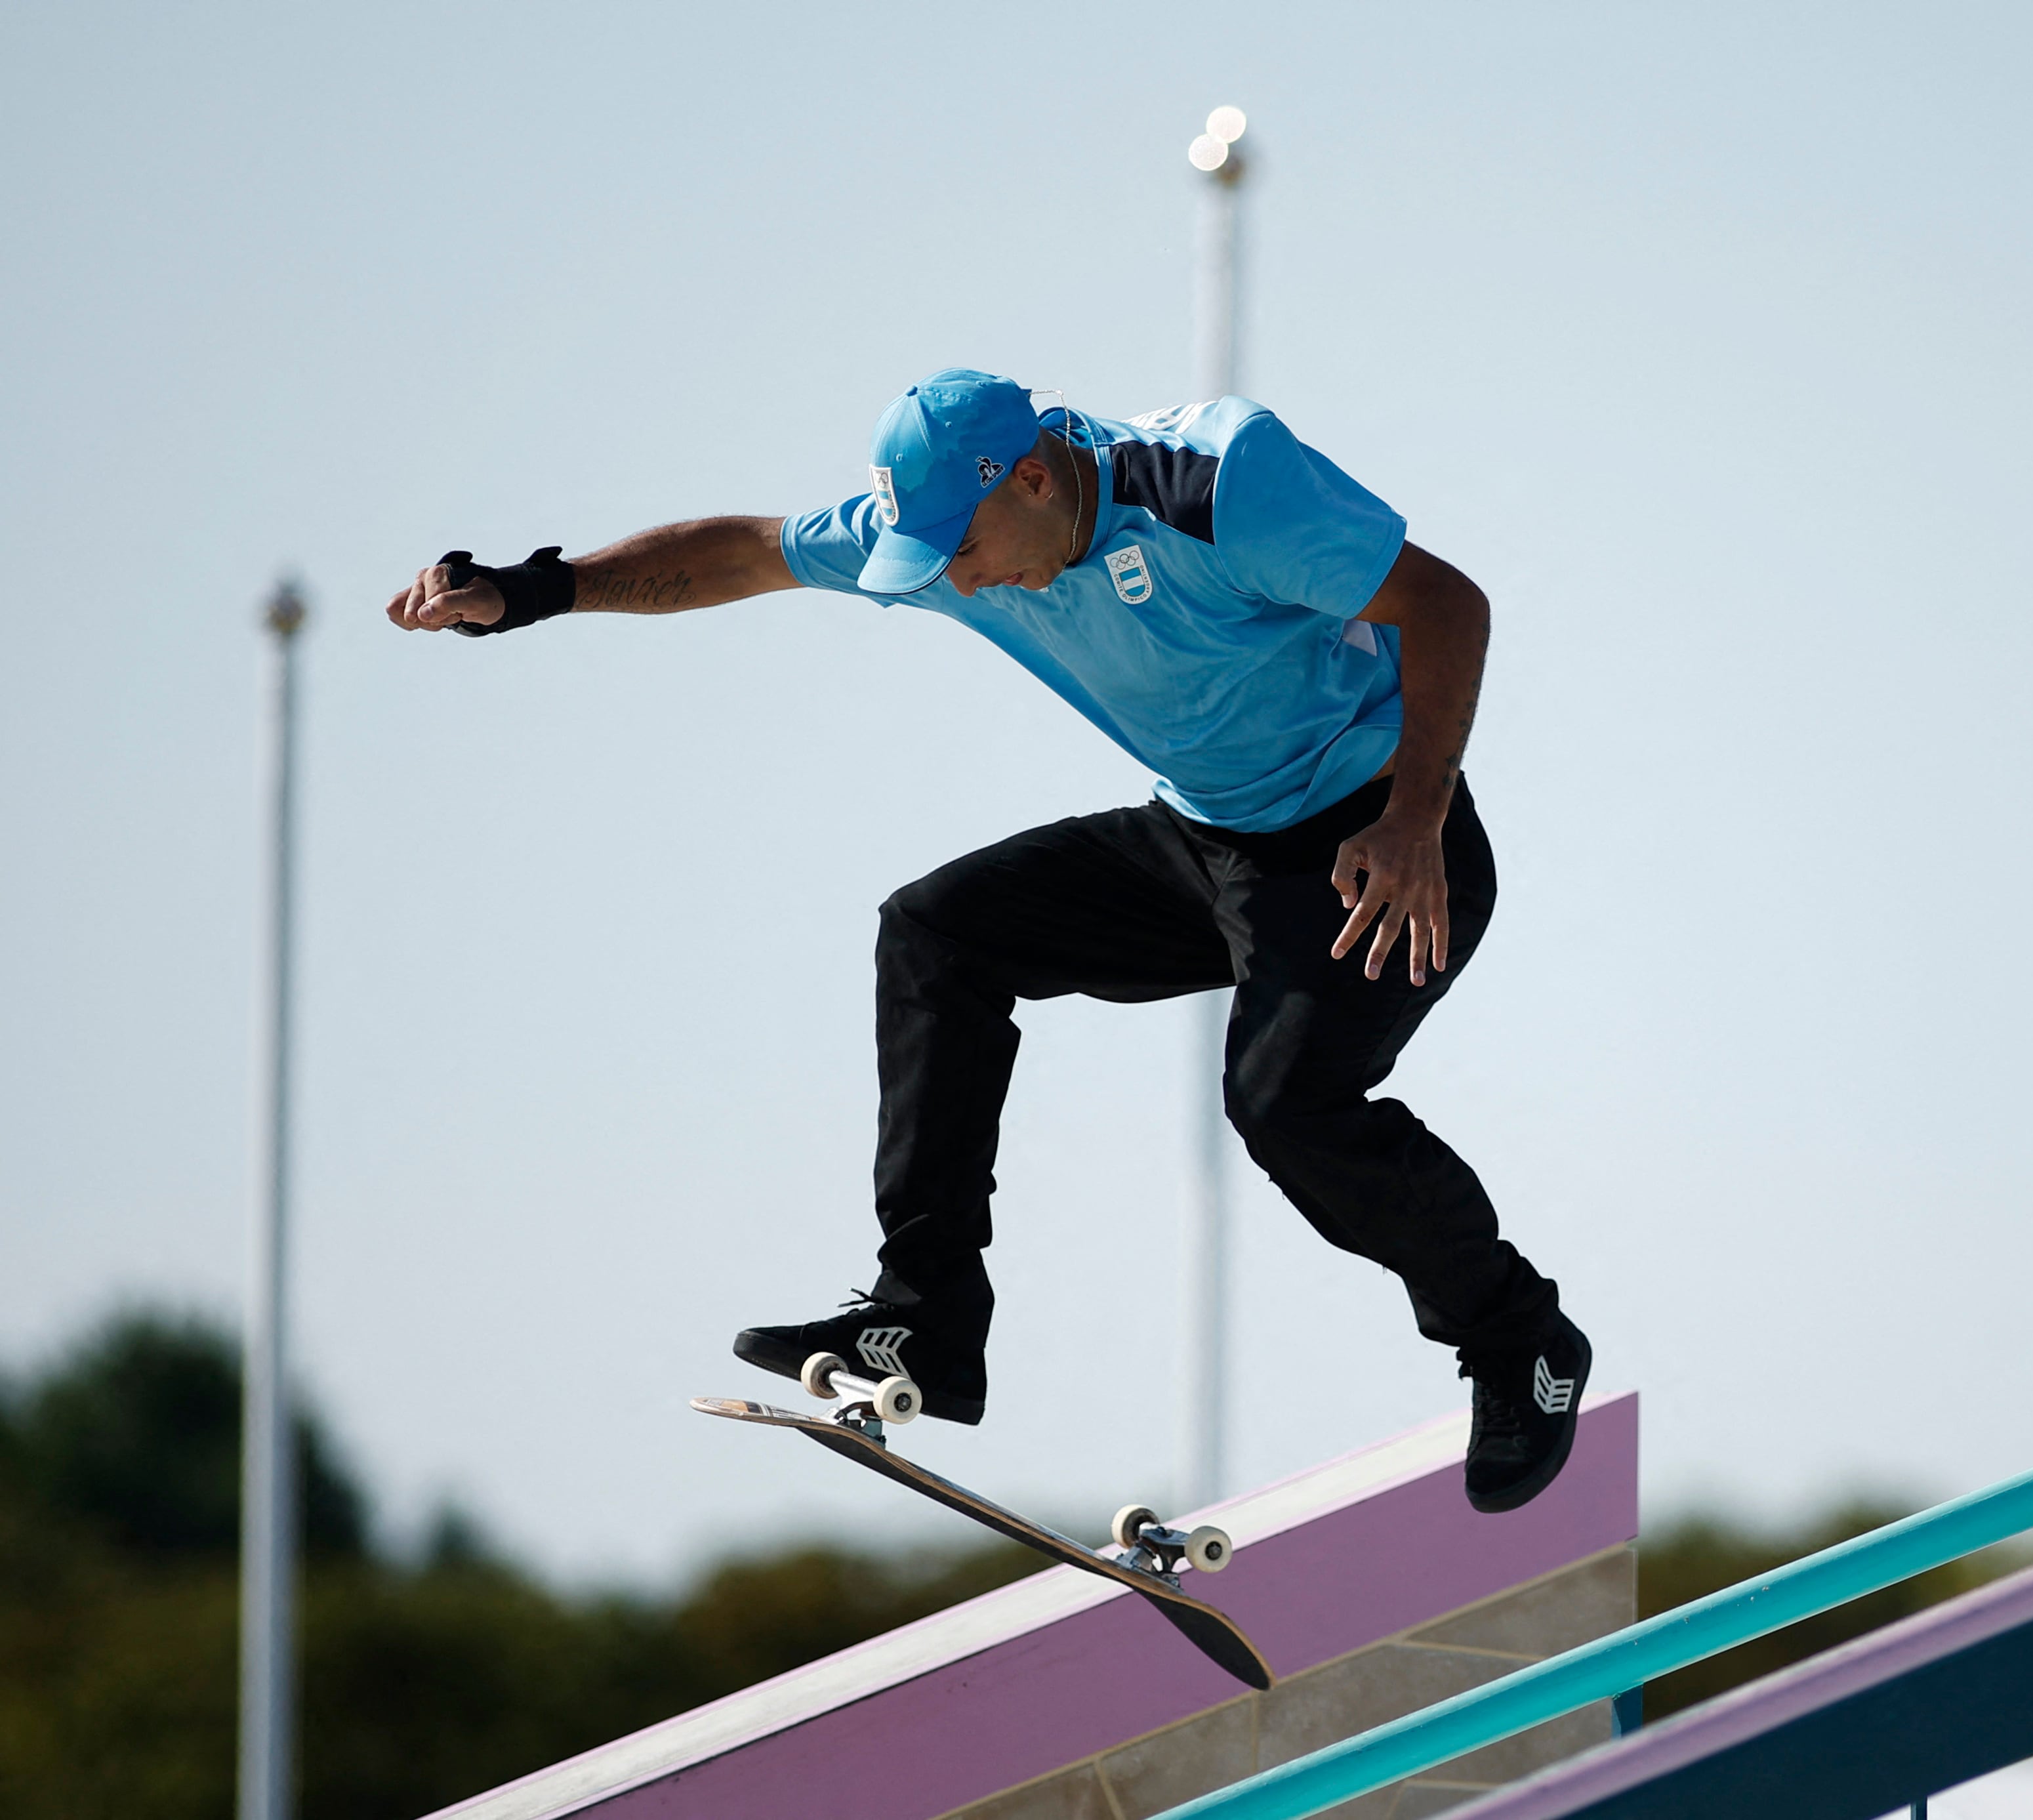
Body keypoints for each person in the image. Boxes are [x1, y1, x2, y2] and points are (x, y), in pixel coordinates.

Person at [387, 369, 1589, 1512]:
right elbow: (748, 550)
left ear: (1029, 479)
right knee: (936, 933)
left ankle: (1518, 1341)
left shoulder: (1219, 485)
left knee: (1285, 1104)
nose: (952, 585)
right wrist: (531, 591)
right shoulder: (939, 530)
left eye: (962, 555)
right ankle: (927, 1316)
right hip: (1205, 841)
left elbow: (1445, 602)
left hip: (1374, 843)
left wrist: (1416, 813)